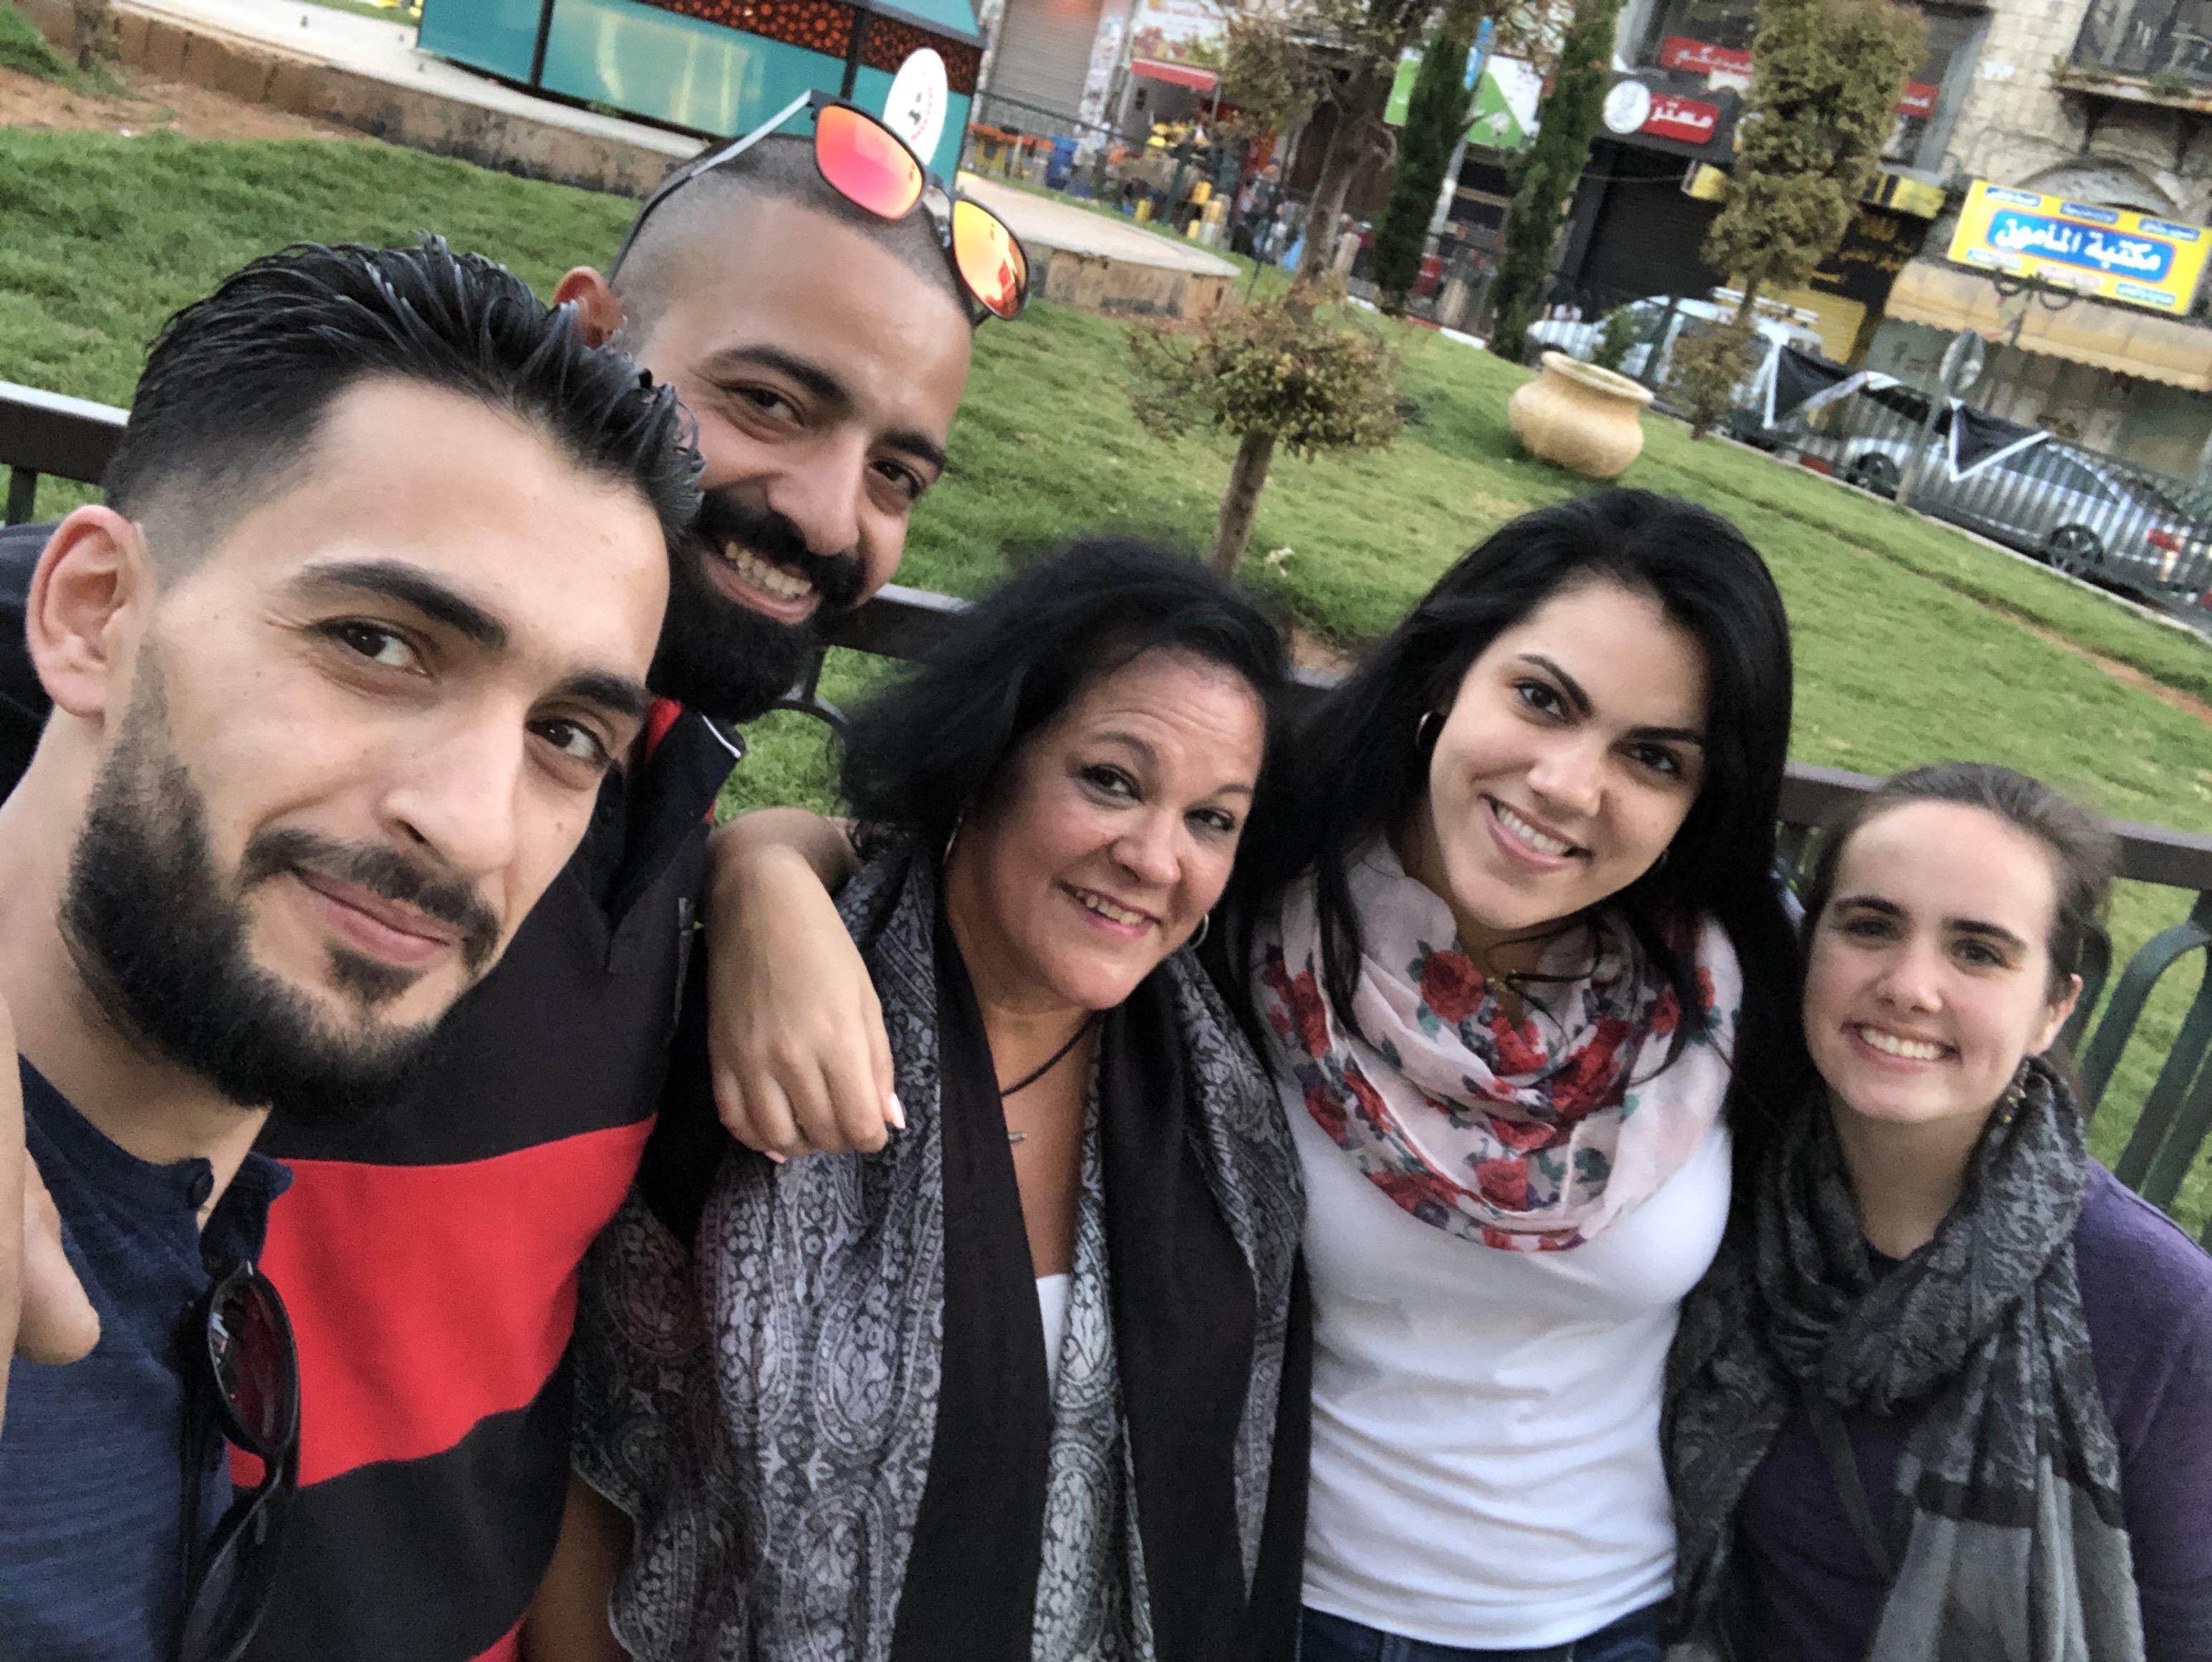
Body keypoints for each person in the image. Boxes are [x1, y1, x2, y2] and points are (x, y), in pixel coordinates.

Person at [0, 107, 1009, 1661]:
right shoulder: (175, 652)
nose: (827, 512)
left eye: (896, 473)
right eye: (766, 400)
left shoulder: (661, 802)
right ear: (592, 332)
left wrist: (765, 862)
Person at [701, 490, 1804, 1661]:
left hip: (1608, 1620)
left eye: (1653, 756)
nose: (1569, 784)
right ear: (1450, 677)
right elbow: (956, 849)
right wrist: (763, 872)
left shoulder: (1727, 994)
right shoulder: (1260, 914)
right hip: (1283, 1606)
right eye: (1541, 699)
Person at [0, 237, 697, 1660]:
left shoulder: (190, 1223)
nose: (473, 825)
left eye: (567, 735)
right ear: (93, 613)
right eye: (377, 644)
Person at [534, 542, 1311, 1661]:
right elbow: (592, 1465)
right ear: (986, 758)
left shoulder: (1220, 1094)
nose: (1156, 859)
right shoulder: (770, 1033)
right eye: (1111, 780)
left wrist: (762, 858)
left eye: (1212, 819)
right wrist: (761, 871)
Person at [1663, 763, 2212, 1662]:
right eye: (1870, 926)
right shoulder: (1712, 1197)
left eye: (1979, 951)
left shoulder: (2156, 1308)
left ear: (2053, 1008)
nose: (1910, 986)